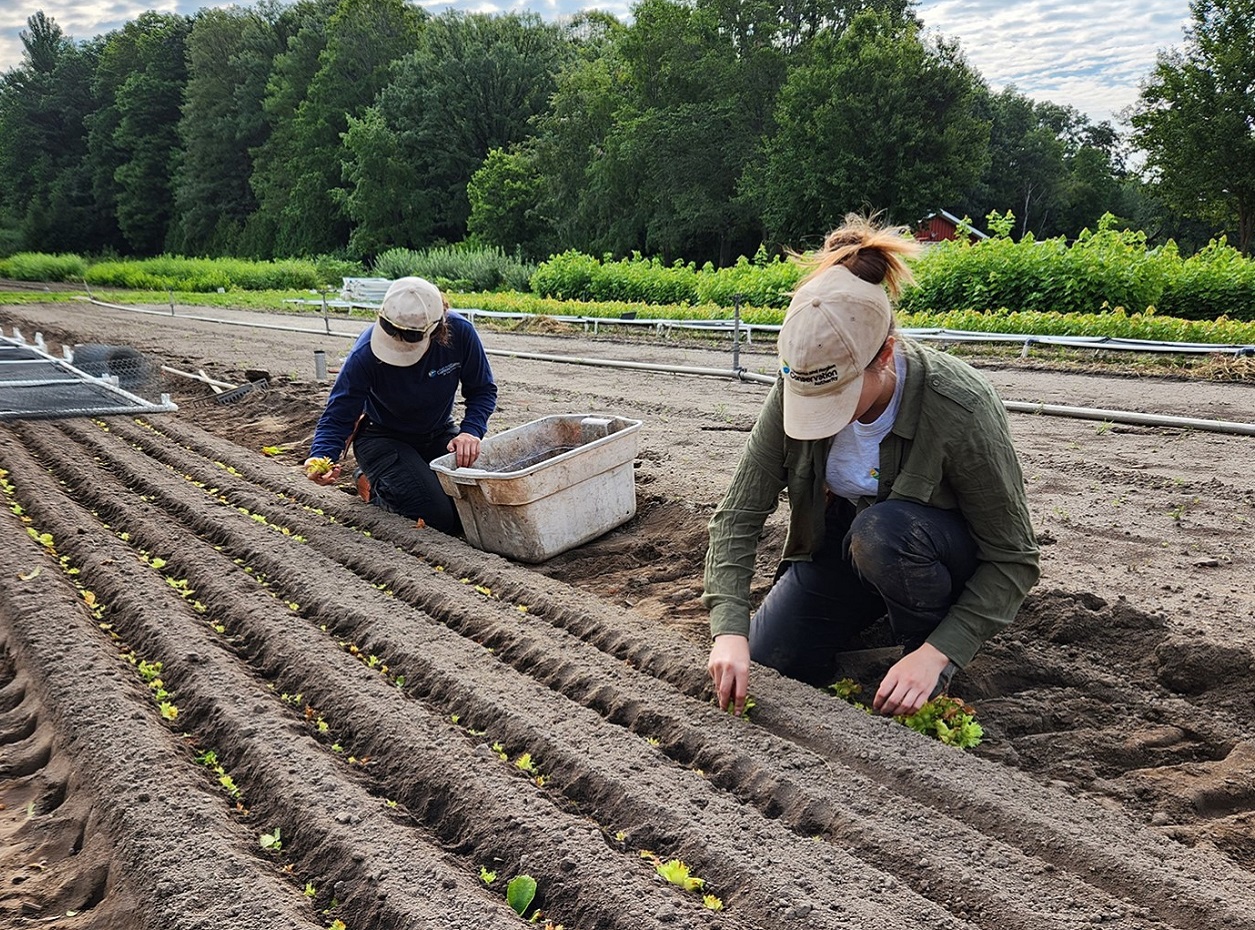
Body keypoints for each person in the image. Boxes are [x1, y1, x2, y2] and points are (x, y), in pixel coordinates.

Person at [704, 214, 1040, 719]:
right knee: (772, 658)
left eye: (839, 394)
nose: (822, 413)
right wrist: (728, 630)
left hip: (928, 550)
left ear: (884, 353)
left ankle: (920, 640)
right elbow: (738, 515)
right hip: (844, 545)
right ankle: (871, 606)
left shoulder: (959, 407)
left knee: (882, 532)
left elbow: (1014, 559)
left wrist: (936, 655)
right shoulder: (800, 380)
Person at [303, 276, 497, 535]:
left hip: (438, 432)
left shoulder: (460, 333)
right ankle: (373, 485)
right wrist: (320, 454)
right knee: (437, 518)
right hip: (383, 437)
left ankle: (400, 481)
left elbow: (482, 390)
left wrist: (470, 431)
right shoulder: (366, 353)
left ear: (438, 329)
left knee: (477, 507)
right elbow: (339, 412)